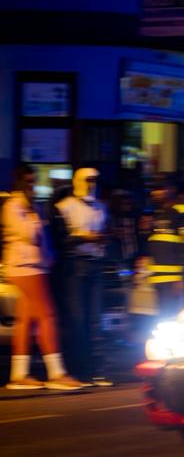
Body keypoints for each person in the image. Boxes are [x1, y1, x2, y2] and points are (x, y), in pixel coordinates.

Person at [1, 164, 83, 390]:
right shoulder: (14, 206)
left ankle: (18, 376)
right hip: (24, 266)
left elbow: (43, 240)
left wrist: (49, 259)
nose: (33, 186)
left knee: (25, 322)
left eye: (34, 181)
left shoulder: (31, 205)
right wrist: (32, 215)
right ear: (19, 182)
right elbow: (29, 234)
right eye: (29, 182)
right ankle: (56, 373)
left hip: (34, 265)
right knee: (47, 316)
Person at [55, 168, 112, 386]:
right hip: (75, 266)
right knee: (77, 320)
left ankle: (95, 370)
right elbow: (60, 240)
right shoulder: (65, 206)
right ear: (78, 181)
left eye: (95, 180)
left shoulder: (100, 207)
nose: (92, 185)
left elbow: (104, 232)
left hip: (95, 264)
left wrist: (101, 239)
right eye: (88, 180)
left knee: (95, 319)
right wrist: (83, 237)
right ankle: (79, 370)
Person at [146, 181, 184, 318]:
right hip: (159, 278)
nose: (155, 193)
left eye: (160, 188)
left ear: (171, 189)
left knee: (172, 316)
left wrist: (181, 279)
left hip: (174, 279)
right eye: (154, 189)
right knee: (163, 317)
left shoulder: (182, 212)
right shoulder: (159, 213)